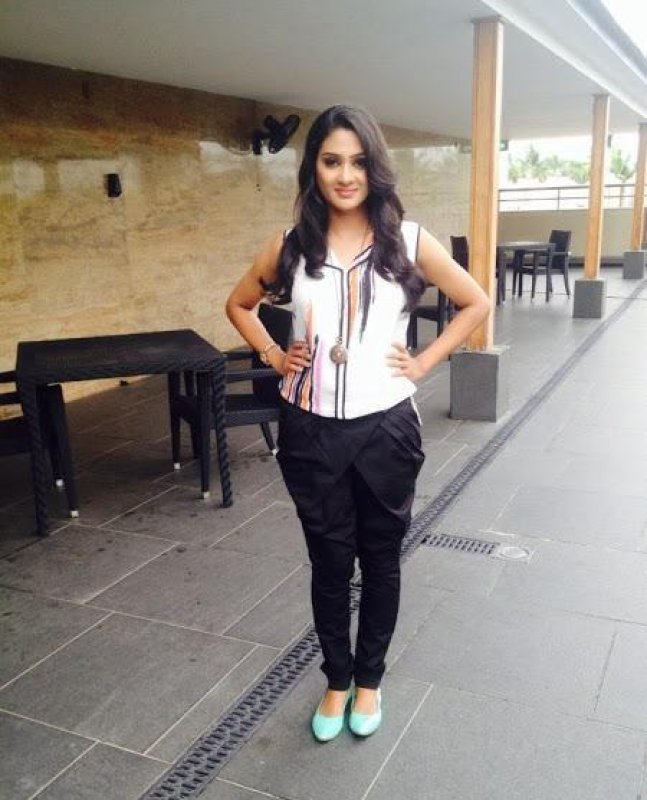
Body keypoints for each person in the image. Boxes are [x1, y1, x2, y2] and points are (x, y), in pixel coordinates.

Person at [226, 105, 489, 741]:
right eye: (331, 161)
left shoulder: (409, 240)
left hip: (385, 428)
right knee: (328, 562)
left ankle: (369, 680)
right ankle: (336, 681)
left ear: (376, 168)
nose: (346, 175)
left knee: (381, 560)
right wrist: (273, 354)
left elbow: (475, 301)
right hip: (310, 428)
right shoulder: (291, 246)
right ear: (313, 168)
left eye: (358, 162)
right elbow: (239, 304)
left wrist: (422, 362)